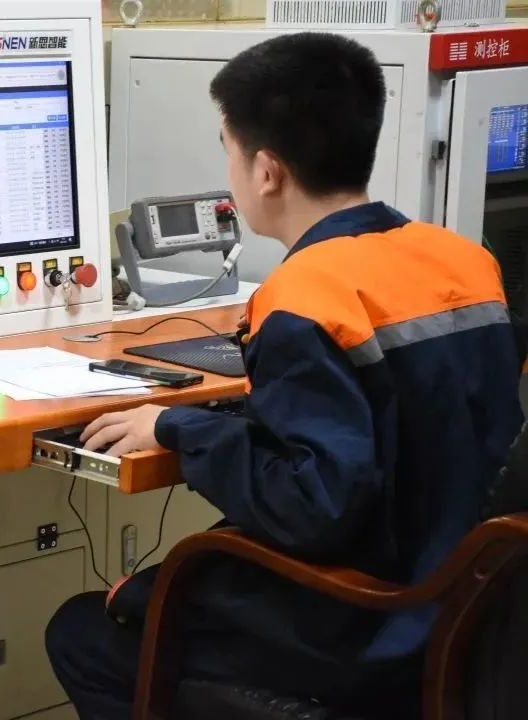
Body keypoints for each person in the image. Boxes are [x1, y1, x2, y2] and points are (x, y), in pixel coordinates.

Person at [45, 31, 526, 719]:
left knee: (84, 632)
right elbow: (406, 421)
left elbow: (315, 508)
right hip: (474, 616)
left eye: (229, 150)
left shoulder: (303, 298)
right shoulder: (463, 259)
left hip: (370, 630)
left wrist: (180, 429)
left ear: (266, 171)